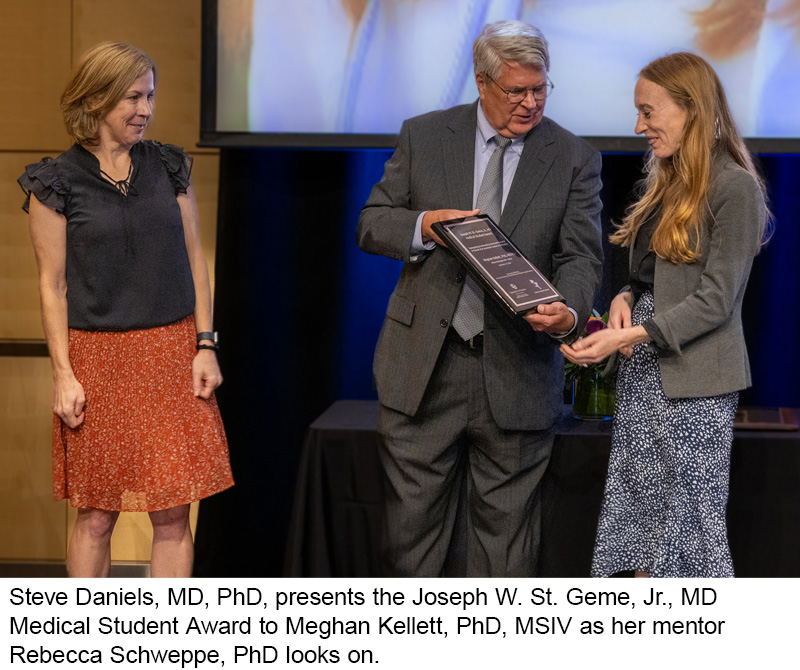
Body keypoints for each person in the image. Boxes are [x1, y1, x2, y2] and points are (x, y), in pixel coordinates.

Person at [356, 20, 603, 577]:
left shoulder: (573, 157)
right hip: (422, 369)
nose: (530, 102)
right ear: (482, 81)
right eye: (516, 90)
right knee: (410, 545)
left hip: (517, 369)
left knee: (506, 553)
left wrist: (566, 311)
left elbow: (582, 256)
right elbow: (372, 223)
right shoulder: (424, 135)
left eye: (540, 89)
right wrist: (424, 224)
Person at [19, 42, 234, 578]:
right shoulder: (56, 183)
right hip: (97, 358)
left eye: (150, 96)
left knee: (172, 513)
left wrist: (206, 344)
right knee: (95, 515)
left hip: (171, 352)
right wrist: (63, 375)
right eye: (132, 98)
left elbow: (195, 263)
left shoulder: (167, 165)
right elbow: (52, 287)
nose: (145, 109)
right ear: (94, 101)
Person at [561, 52, 769, 578]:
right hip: (644, 371)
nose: (639, 127)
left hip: (696, 379)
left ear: (690, 108)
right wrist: (625, 297)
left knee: (687, 533)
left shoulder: (733, 187)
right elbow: (651, 274)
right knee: (640, 523)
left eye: (649, 111)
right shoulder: (667, 181)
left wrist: (631, 333)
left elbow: (716, 299)